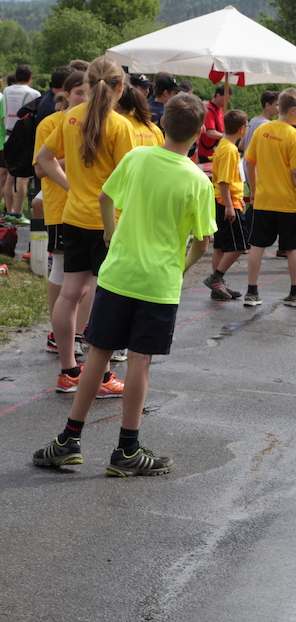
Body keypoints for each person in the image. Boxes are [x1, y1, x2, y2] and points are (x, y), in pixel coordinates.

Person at [31, 93, 216, 477]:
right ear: (199, 133)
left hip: (118, 273)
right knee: (139, 362)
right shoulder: (199, 181)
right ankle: (127, 448)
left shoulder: (137, 158)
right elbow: (203, 241)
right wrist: (181, 268)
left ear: (162, 124)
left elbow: (105, 197)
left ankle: (69, 440)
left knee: (97, 354)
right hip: (159, 282)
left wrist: (110, 234)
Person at [36, 57, 132, 397]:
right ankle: (101, 376)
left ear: (87, 84)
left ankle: (69, 371)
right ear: (120, 88)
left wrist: (71, 187)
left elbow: (43, 159)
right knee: (104, 297)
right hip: (108, 222)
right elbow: (129, 178)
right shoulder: (119, 125)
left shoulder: (70, 117)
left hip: (74, 216)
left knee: (70, 292)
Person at [35, 71, 90, 357]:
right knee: (61, 268)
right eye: (78, 92)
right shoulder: (50, 123)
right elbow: (40, 168)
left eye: (88, 92)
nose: (84, 98)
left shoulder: (94, 123)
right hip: (60, 205)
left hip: (89, 209)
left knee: (86, 276)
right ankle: (58, 334)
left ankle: (77, 332)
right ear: (66, 95)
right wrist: (77, 157)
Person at [243, 87, 296, 308]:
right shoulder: (295, 135)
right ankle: (295, 293)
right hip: (288, 201)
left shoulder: (262, 130)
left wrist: (253, 189)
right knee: (292, 247)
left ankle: (252, 292)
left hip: (264, 199)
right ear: (293, 110)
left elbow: (249, 162)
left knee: (257, 245)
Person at [203, 109, 249, 300]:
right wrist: (230, 205)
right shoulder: (230, 149)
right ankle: (216, 277)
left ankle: (218, 285)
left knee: (220, 246)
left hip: (222, 199)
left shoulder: (223, 144)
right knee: (240, 244)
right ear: (242, 129)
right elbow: (223, 180)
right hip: (227, 201)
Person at [2, 65, 41, 225]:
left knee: (10, 175)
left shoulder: (6, 91)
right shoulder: (34, 94)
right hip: (24, 138)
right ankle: (18, 213)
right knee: (23, 177)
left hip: (8, 135)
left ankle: (9, 211)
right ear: (30, 78)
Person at [196, 85, 226, 165]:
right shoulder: (208, 110)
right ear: (218, 96)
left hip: (216, 152)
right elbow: (210, 133)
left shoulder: (220, 109)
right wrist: (227, 136)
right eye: (227, 98)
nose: (228, 101)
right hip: (206, 154)